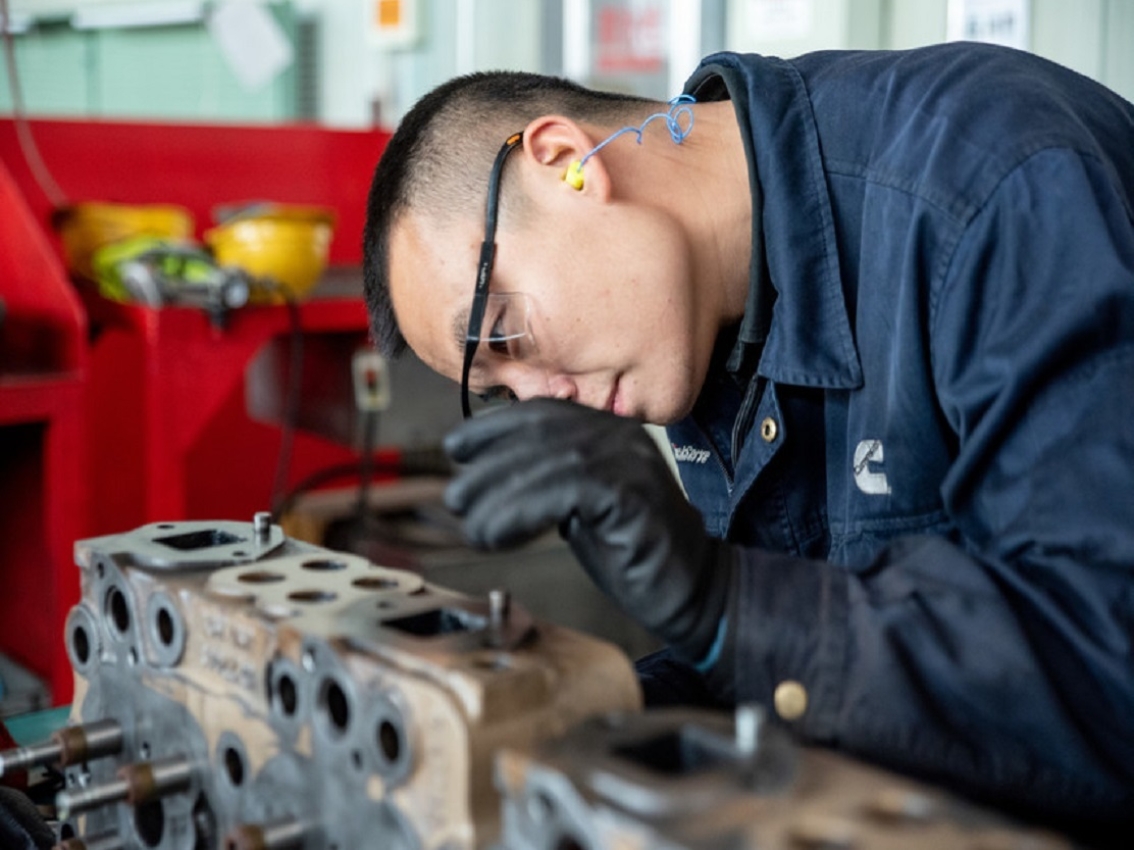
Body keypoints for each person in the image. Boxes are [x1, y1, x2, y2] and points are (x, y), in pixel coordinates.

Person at [362, 41, 1134, 838]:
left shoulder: (990, 185)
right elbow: (814, 675)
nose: (546, 399)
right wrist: (597, 718)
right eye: (502, 397)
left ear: (566, 162)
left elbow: (1110, 669)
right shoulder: (694, 332)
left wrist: (726, 600)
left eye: (506, 334)